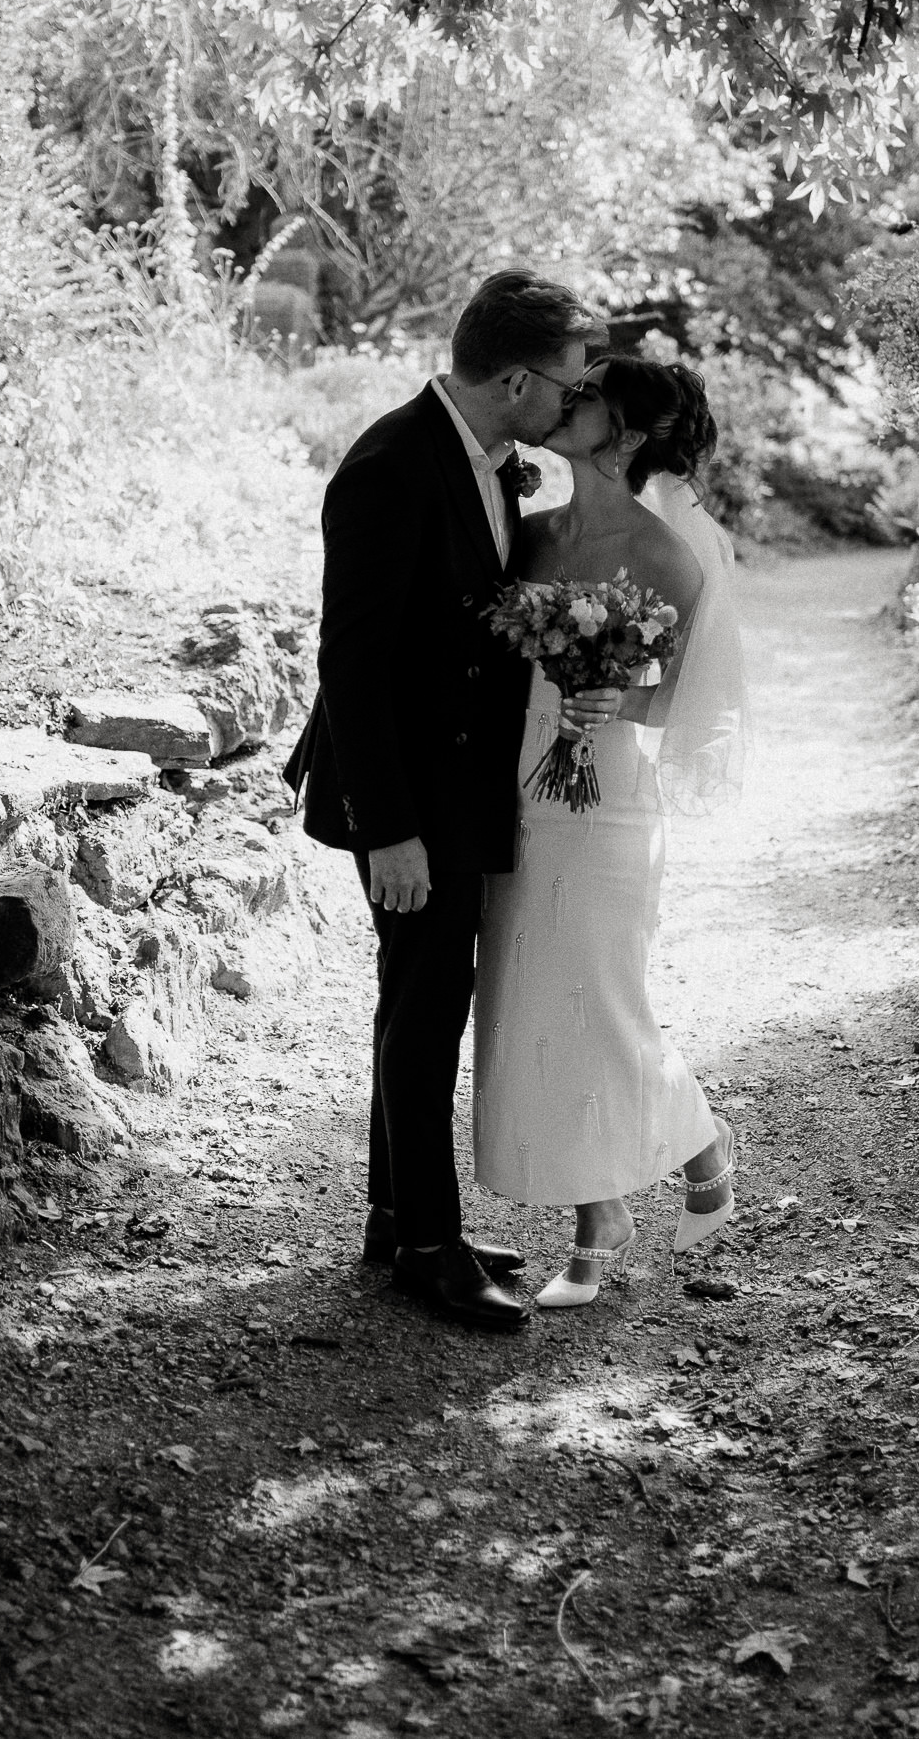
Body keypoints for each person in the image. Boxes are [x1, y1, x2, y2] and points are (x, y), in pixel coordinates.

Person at [284, 269, 597, 1332]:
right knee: (427, 1011)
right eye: (565, 382)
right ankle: (427, 1244)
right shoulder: (390, 465)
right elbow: (352, 667)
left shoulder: (491, 459)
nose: (574, 400)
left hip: (459, 785)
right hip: (413, 795)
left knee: (413, 1000)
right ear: (515, 380)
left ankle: (395, 1215)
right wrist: (392, 831)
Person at [472, 354, 748, 1306]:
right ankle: (611, 1205)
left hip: (612, 798)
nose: (567, 397)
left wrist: (611, 689)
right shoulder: (531, 534)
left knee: (602, 995)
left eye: (588, 395)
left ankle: (675, 1154)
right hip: (522, 788)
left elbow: (685, 702)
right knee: (530, 1001)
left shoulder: (672, 554)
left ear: (626, 437)